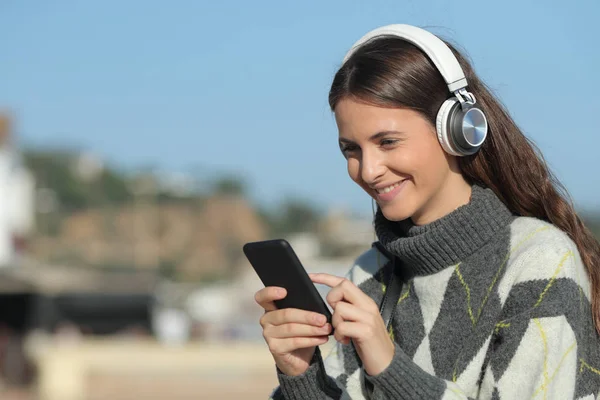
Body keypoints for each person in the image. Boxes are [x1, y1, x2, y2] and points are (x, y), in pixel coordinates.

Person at [254, 24, 600, 399]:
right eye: (350, 150)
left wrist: (389, 367)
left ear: (458, 129)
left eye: (387, 142)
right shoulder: (368, 278)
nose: (368, 170)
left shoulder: (539, 262)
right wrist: (300, 374)